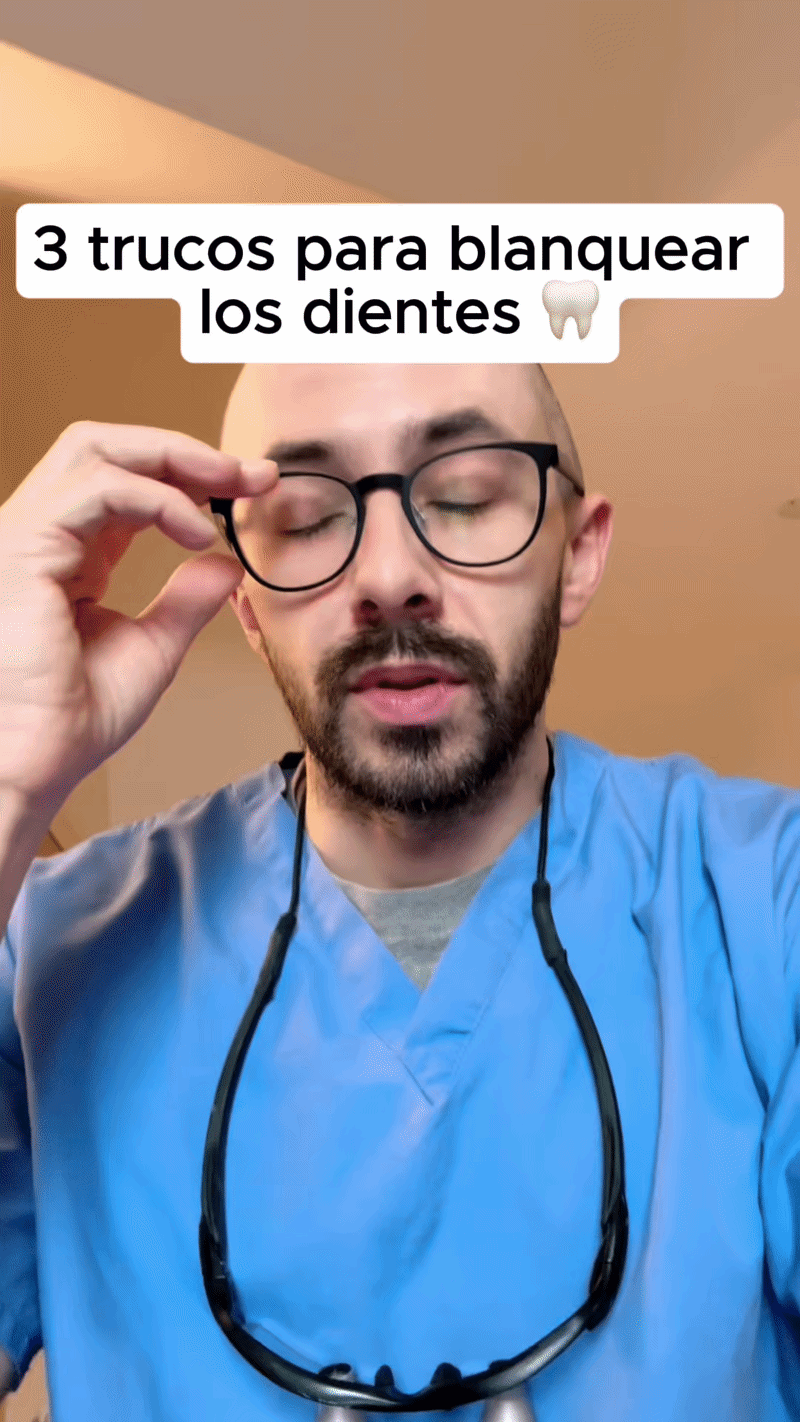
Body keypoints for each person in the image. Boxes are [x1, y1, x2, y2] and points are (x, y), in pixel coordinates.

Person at [0, 362, 798, 1422]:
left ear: (577, 555)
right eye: (304, 517)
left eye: (462, 497)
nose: (387, 575)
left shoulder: (764, 896)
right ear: (244, 598)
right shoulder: (44, 947)